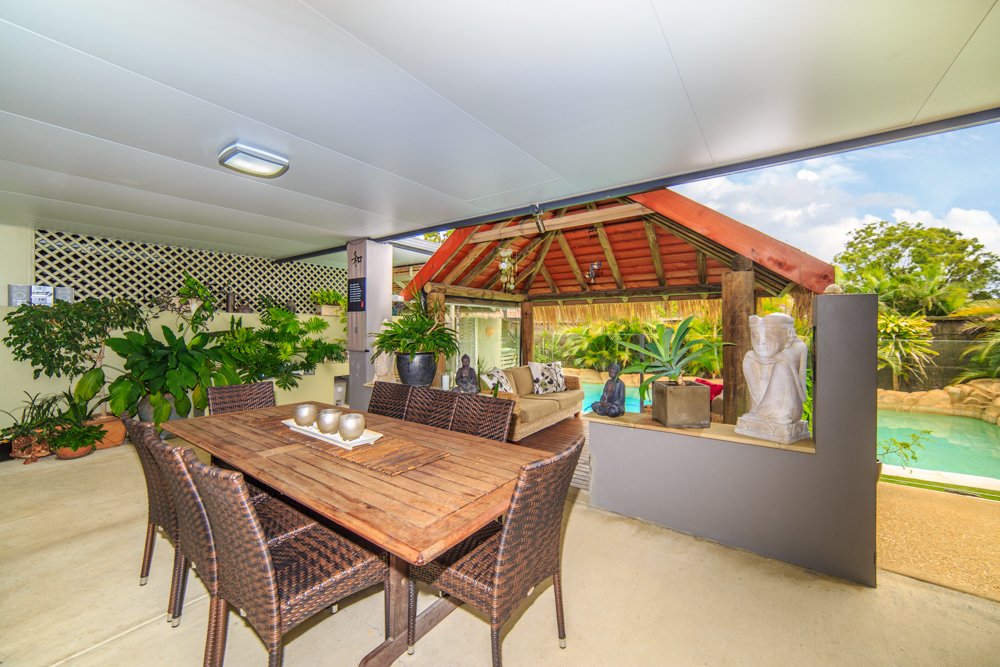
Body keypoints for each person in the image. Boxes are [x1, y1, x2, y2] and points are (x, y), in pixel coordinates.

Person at [742, 313, 808, 424]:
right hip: (761, 410)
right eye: (755, 336)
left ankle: (765, 414)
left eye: (768, 336)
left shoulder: (799, 347)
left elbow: (803, 397)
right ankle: (762, 413)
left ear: (787, 336)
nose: (760, 343)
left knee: (781, 365)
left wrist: (786, 360)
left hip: (790, 412)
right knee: (749, 357)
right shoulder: (751, 357)